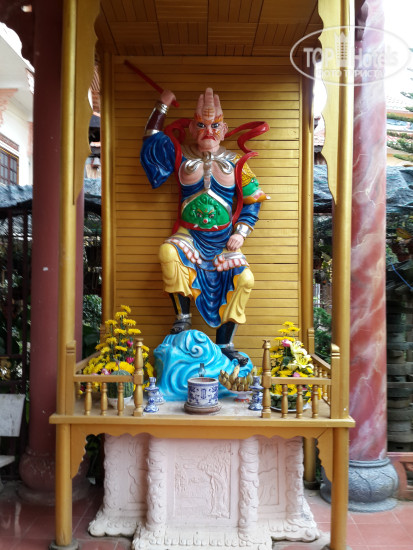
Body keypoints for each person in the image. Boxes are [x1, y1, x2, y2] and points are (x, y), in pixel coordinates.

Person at [140, 88, 269, 365]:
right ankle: (182, 318)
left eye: (214, 126)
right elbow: (152, 141)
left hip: (223, 240)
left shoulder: (237, 163)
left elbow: (253, 200)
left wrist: (241, 232)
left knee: (245, 279)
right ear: (191, 128)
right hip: (189, 235)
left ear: (224, 129)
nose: (208, 131)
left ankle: (225, 343)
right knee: (168, 252)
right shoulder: (181, 156)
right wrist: (162, 106)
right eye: (201, 125)